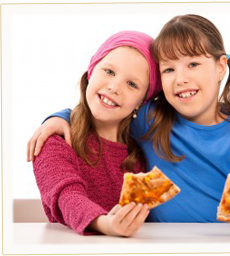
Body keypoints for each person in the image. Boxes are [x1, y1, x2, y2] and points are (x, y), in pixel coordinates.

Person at [28, 15, 230, 236]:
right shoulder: (151, 119)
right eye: (169, 69)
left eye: (193, 64)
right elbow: (104, 109)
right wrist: (60, 117)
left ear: (221, 67)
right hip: (157, 245)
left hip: (229, 245)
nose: (181, 79)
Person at [31, 30, 162, 236]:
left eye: (132, 84)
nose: (114, 87)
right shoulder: (55, 140)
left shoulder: (142, 156)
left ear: (142, 101)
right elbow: (67, 196)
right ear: (91, 71)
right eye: (109, 71)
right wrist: (105, 224)